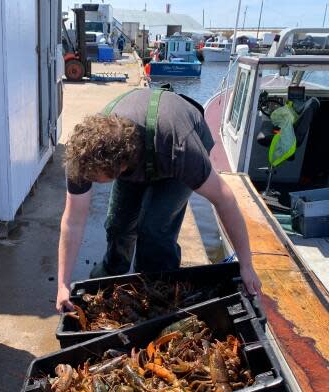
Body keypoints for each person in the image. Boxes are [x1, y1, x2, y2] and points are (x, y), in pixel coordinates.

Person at [56, 88, 262, 311]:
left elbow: (225, 200)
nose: (92, 183)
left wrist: (246, 265)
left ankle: (158, 293)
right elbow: (73, 221)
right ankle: (110, 275)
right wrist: (62, 284)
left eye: (97, 179)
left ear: (121, 168)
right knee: (118, 225)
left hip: (177, 137)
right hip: (142, 143)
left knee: (154, 230)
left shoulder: (180, 149)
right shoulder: (84, 154)